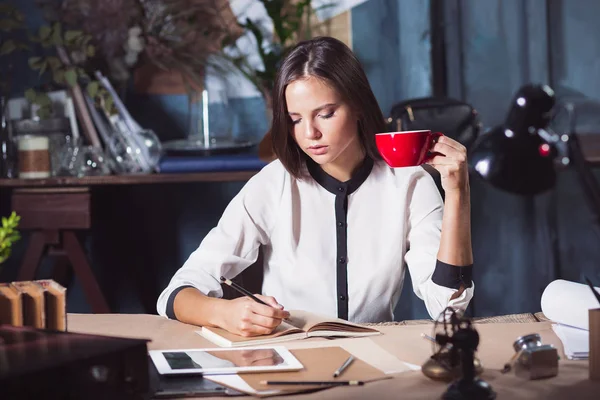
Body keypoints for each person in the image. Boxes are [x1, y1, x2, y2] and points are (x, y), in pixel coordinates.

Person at [157, 36, 474, 336]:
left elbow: (448, 304)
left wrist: (457, 191)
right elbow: (176, 293)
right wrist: (225, 313)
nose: (309, 133)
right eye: (295, 119)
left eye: (325, 114)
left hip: (377, 361)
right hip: (287, 359)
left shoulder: (409, 183)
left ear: (359, 106)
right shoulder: (273, 184)